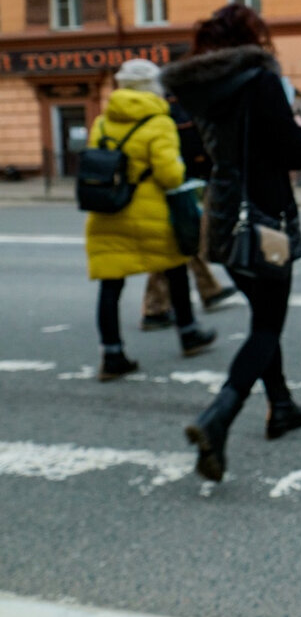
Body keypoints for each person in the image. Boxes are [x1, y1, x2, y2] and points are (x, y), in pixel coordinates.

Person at [161, 3, 301, 482]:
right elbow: (293, 151)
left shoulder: (199, 91)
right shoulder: (260, 82)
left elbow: (197, 153)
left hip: (224, 217)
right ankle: (219, 417)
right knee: (268, 325)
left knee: (261, 314)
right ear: (252, 38)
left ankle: (282, 404)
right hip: (265, 217)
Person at [85, 59, 218, 381]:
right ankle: (188, 333)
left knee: (110, 285)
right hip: (151, 213)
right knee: (175, 269)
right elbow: (170, 175)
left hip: (109, 213)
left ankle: (112, 354)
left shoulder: (102, 122)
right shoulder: (159, 122)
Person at [140, 96, 237, 330]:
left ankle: (207, 289)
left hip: (180, 185)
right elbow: (181, 155)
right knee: (178, 242)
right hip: (178, 187)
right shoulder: (178, 112)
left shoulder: (170, 110)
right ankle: (156, 308)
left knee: (187, 240)